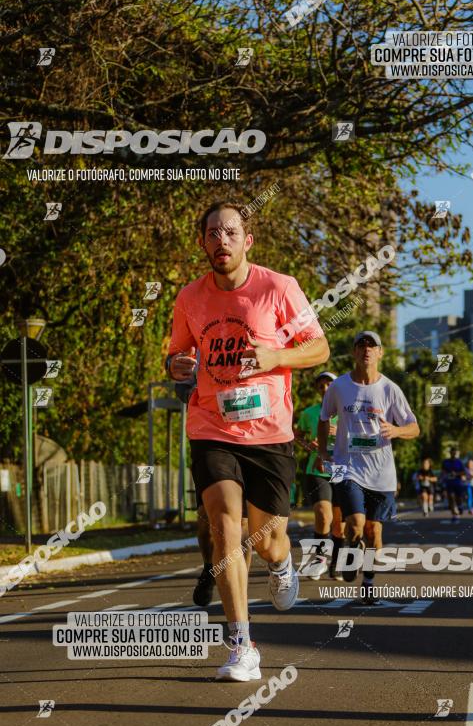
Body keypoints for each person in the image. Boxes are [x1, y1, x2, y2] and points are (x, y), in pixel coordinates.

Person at [167, 201, 329, 681]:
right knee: (224, 528)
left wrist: (275, 354)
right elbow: (177, 353)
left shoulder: (278, 288)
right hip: (211, 427)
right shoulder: (189, 298)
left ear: (247, 241)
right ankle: (241, 646)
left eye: (231, 232)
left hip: (269, 433)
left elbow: (318, 347)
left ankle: (282, 564)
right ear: (203, 242)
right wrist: (175, 365)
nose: (222, 241)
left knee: (269, 541)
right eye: (213, 234)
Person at [316, 330, 419, 605]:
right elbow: (324, 418)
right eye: (360, 345)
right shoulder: (339, 386)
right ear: (353, 352)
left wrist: (396, 431)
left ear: (380, 353)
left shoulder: (390, 389)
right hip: (346, 466)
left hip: (382, 472)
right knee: (355, 522)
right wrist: (322, 451)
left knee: (374, 532)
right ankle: (351, 552)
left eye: (372, 345)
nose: (366, 349)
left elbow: (414, 427)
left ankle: (369, 578)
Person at [171, 350, 253, 606]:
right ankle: (209, 568)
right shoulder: (201, 341)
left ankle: (240, 596)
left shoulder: (256, 332)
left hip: (251, 442)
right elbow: (182, 385)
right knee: (207, 522)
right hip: (212, 442)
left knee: (241, 528)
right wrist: (208, 394)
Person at [296, 371, 345, 581]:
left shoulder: (347, 412)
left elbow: (363, 438)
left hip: (342, 470)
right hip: (317, 470)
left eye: (329, 385)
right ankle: (319, 559)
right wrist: (309, 445)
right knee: (324, 515)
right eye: (321, 386)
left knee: (339, 523)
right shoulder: (309, 413)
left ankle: (337, 562)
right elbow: (296, 435)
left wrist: (341, 435)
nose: (325, 389)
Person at [441, 447, 465, 523]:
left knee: (458, 498)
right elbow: (443, 471)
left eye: (455, 452)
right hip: (449, 483)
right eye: (452, 452)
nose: (453, 454)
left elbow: (463, 472)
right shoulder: (445, 462)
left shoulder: (459, 462)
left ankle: (460, 506)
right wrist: (445, 475)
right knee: (451, 498)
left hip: (458, 483)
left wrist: (456, 473)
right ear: (450, 453)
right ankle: (454, 515)